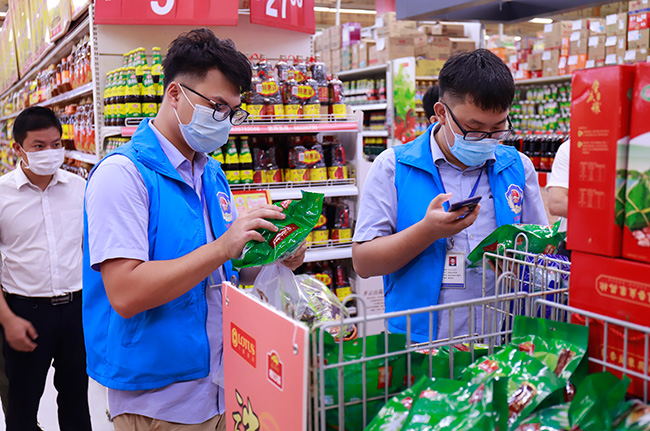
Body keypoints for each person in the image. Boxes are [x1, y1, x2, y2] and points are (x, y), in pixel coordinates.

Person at [83, 28, 305, 431]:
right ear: (175, 94)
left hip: (222, 382)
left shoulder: (210, 172)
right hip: (158, 398)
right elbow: (126, 293)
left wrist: (275, 254)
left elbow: (223, 269)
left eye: (233, 112)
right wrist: (223, 247)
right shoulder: (123, 175)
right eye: (217, 106)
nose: (225, 122)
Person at [352, 49, 548, 343]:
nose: (487, 140)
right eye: (473, 129)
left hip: (503, 341)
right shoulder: (394, 167)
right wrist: (427, 231)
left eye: (498, 129)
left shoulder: (518, 167)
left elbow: (542, 253)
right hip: (421, 346)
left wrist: (522, 265)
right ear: (442, 113)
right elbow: (364, 263)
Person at [0, 106, 91, 430]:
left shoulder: (80, 188)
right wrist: (7, 319)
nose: (50, 153)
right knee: (22, 407)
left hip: (76, 309)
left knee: (77, 402)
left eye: (56, 144)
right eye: (39, 146)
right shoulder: (2, 195)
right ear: (18, 149)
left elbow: (91, 249)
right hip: (24, 312)